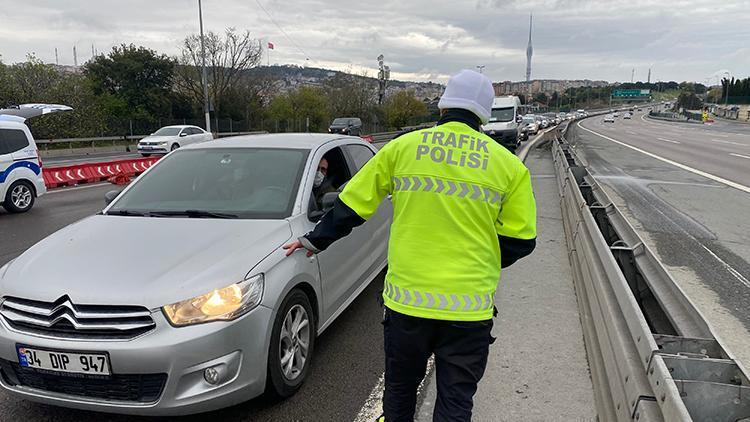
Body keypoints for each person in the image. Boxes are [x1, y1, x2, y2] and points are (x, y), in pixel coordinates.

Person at [284, 69, 537, 421]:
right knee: (455, 401)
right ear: (483, 113)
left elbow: (352, 207)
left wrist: (313, 240)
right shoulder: (508, 166)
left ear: (443, 107)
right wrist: (484, 258)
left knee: (400, 392)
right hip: (468, 311)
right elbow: (522, 241)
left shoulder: (403, 148)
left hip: (408, 305)